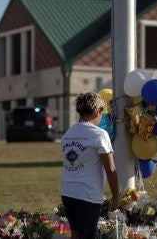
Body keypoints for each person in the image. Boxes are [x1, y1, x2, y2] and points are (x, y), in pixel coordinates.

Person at [60, 92, 119, 239]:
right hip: (87, 194)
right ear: (97, 111)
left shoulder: (68, 133)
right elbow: (111, 169)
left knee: (75, 233)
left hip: (67, 191)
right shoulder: (100, 134)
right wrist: (116, 197)